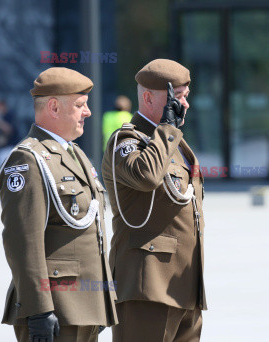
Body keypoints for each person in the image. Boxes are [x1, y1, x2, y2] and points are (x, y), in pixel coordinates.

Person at [0, 67, 118, 342]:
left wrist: (101, 303)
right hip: (56, 307)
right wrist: (39, 309)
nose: (87, 112)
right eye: (80, 105)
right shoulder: (28, 160)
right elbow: (23, 241)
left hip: (85, 306)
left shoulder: (76, 155)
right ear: (53, 107)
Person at [102, 59, 206, 342]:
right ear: (148, 98)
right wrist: (167, 129)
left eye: (186, 96)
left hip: (184, 286)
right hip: (147, 287)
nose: (184, 105)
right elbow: (146, 176)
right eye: (177, 97)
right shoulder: (127, 141)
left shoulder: (173, 142)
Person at [0, 99, 19, 168]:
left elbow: (8, 129)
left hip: (10, 148)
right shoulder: (2, 117)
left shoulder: (9, 115)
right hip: (3, 149)